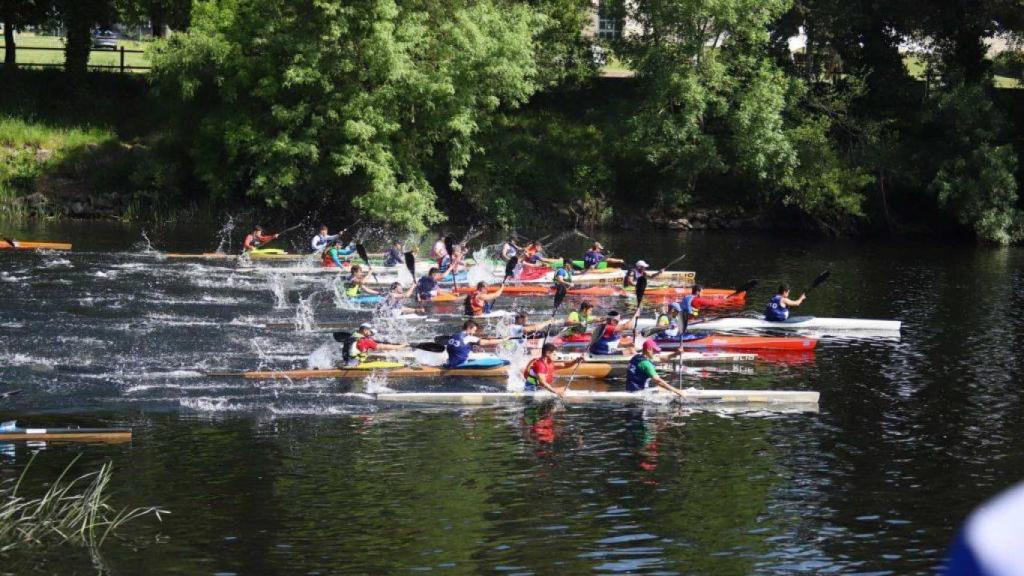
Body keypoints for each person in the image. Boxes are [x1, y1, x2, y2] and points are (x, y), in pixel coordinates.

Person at [340, 323, 406, 366]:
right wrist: (400, 346)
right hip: (356, 365)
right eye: (370, 331)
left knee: (370, 356)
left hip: (347, 362)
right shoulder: (365, 340)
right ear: (365, 330)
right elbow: (383, 347)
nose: (371, 333)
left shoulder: (352, 336)